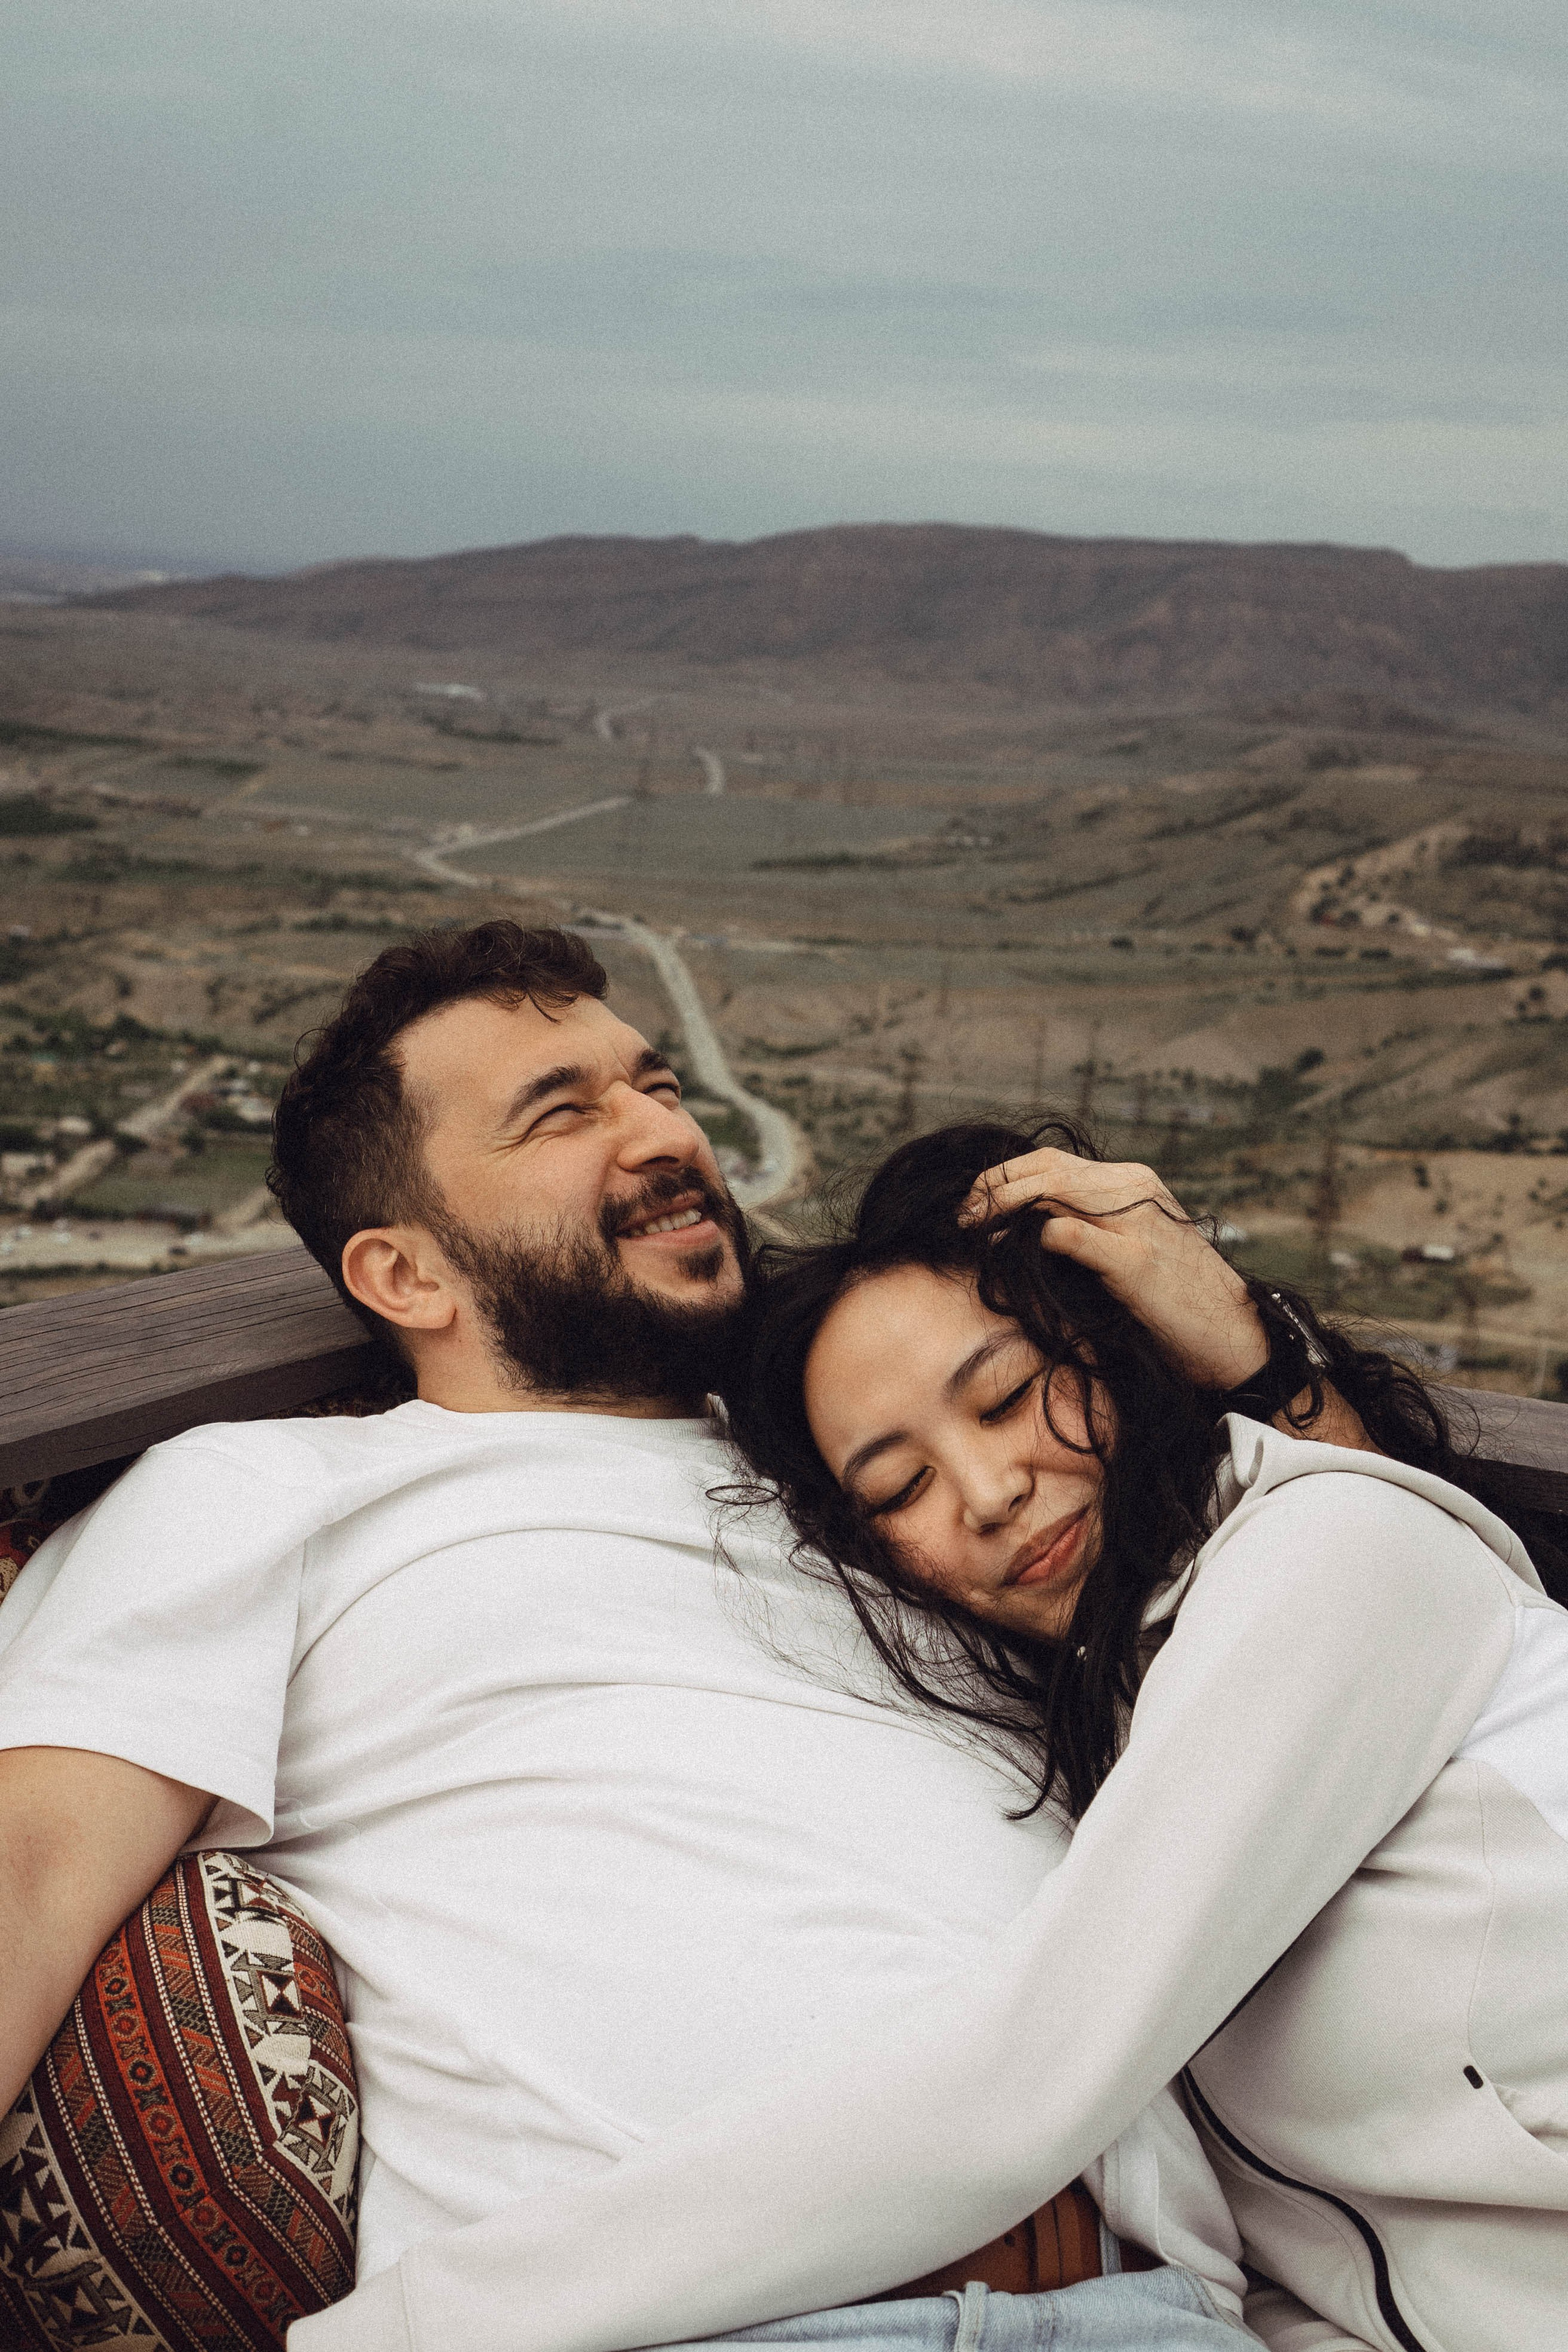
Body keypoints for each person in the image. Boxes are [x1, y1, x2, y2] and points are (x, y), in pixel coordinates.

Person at [1, 925, 1332, 2352]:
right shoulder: (265, 1493)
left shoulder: (869, 1475)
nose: (659, 1131)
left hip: (1158, 2312)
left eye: (654, 1085)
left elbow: (1349, 1634)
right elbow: (26, 1886)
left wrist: (1254, 1356)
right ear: (406, 1277)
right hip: (684, 2321)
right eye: (562, 1114)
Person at [300, 1120, 1568, 2352]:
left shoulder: (1333, 1558)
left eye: (1008, 1395)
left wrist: (414, 2324)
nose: (985, 1493)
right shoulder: (1119, 1710)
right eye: (896, 1486)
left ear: (1114, 1345)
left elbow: (1023, 2079)